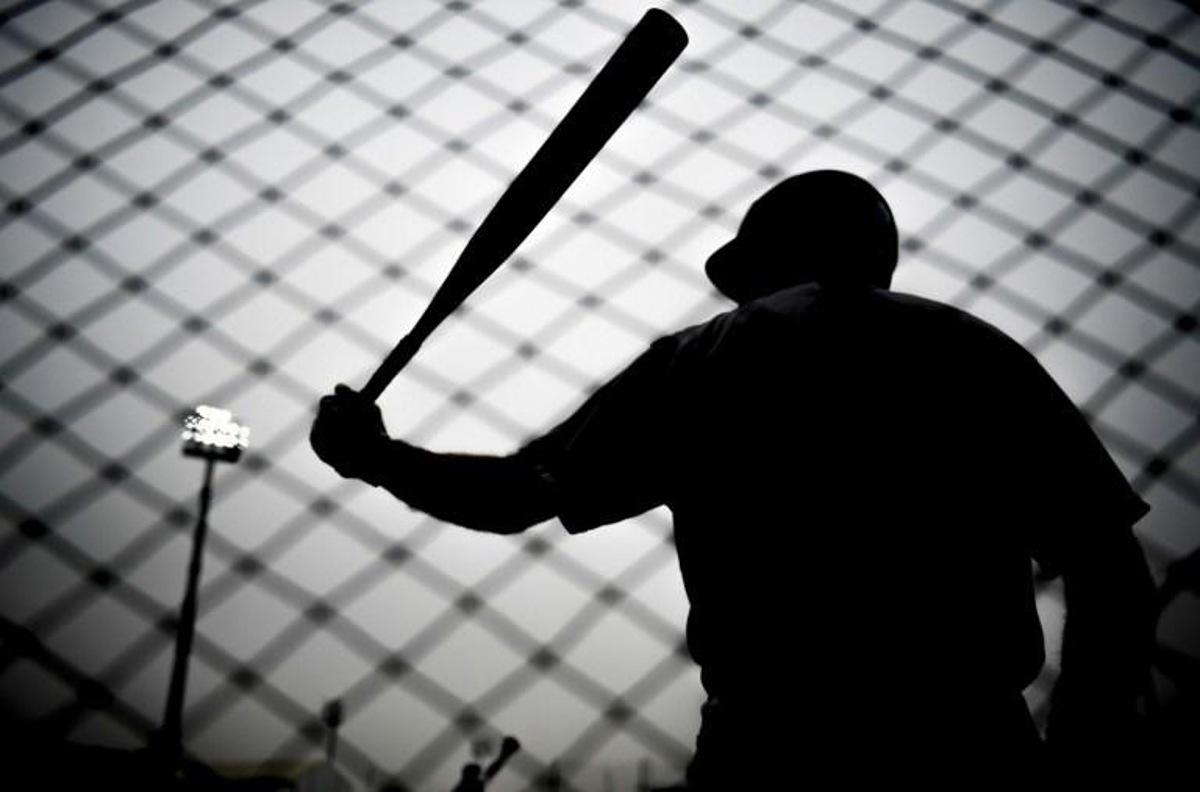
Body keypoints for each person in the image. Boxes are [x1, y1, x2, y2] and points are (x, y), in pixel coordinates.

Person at [310, 170, 1155, 786]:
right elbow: (1111, 566)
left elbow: (516, 496)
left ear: (765, 261)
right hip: (967, 748)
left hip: (768, 750)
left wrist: (380, 458)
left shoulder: (703, 359)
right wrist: (1081, 757)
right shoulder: (973, 350)